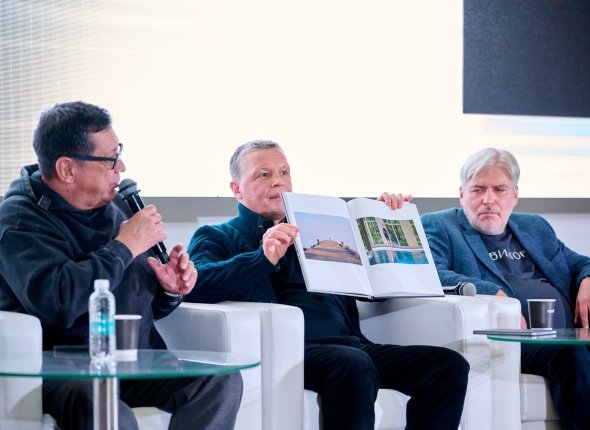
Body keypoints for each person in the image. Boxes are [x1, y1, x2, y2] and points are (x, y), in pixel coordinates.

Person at [185, 139, 469, 430]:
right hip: (291, 350)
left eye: (284, 173)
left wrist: (385, 221)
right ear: (237, 189)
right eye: (264, 174)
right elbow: (196, 283)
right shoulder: (216, 236)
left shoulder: (320, 230)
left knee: (447, 365)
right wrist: (261, 258)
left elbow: (376, 287)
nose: (278, 182)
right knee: (353, 363)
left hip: (350, 344)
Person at [0, 101, 242, 430]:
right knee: (107, 410)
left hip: (133, 361)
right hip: (65, 370)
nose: (122, 167)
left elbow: (140, 303)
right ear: (67, 169)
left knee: (220, 381)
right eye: (110, 159)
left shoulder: (116, 203)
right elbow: (58, 303)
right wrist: (125, 245)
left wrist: (170, 290)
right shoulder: (19, 220)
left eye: (119, 153)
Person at [421, 147, 590, 430]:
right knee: (568, 353)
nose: (489, 199)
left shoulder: (534, 227)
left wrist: (587, 278)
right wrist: (492, 292)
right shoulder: (440, 226)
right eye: (478, 190)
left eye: (499, 189)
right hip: (515, 344)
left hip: (572, 333)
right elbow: (431, 273)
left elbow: (578, 262)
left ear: (514, 195)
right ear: (462, 194)